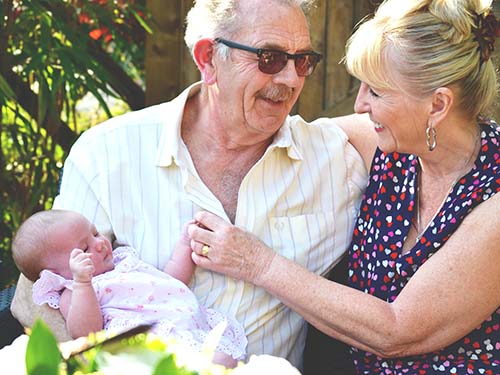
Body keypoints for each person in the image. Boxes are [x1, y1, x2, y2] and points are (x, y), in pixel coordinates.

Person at [11, 0, 370, 370]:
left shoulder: (333, 159)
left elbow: (412, 121)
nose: (291, 79)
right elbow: (44, 293)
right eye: (270, 59)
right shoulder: (105, 155)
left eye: (303, 61)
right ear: (208, 58)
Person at [186, 0, 500, 374]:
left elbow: (396, 330)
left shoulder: (493, 201)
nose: (359, 104)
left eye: (377, 92)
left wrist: (256, 262)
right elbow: (273, 137)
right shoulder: (386, 144)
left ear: (437, 105)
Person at [11, 209, 246, 368]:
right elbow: (85, 332)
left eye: (95, 233)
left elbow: (170, 280)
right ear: (56, 275)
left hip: (188, 326)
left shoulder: (124, 262)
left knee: (226, 360)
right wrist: (82, 281)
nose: (100, 243)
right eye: (84, 249)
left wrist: (185, 244)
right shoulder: (75, 290)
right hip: (152, 343)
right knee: (218, 363)